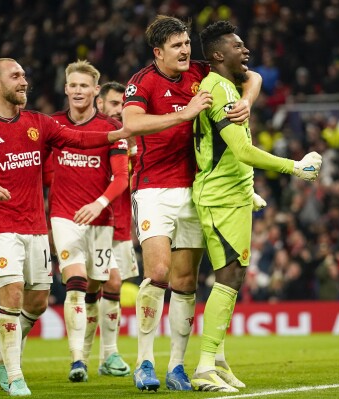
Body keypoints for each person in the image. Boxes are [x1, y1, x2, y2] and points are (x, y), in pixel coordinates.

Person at [0, 57, 128, 396]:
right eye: (15, 76)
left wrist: (120, 132)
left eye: (24, 75)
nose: (23, 81)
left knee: (39, 301)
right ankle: (15, 376)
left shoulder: (38, 123)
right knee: (12, 294)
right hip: (2, 225)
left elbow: (81, 139)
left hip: (36, 226)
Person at [121, 15, 261, 392]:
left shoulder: (201, 72)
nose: (186, 51)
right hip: (153, 188)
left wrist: (246, 102)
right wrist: (182, 114)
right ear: (158, 52)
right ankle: (144, 362)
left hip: (195, 189)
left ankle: (177, 366)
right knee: (160, 270)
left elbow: (253, 76)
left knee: (185, 281)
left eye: (186, 43)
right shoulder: (142, 82)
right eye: (177, 46)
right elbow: (131, 123)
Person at [190, 20, 322, 392]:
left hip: (231, 195)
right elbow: (242, 150)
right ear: (218, 54)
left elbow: (216, 149)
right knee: (228, 277)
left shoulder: (227, 86)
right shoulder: (216, 87)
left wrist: (248, 191)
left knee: (234, 278)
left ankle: (217, 360)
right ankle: (203, 367)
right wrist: (296, 167)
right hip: (218, 198)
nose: (245, 50)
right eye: (237, 46)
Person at [48, 63, 129, 382]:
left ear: (96, 91)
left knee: (99, 285)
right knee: (77, 283)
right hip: (64, 217)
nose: (78, 90)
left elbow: (122, 177)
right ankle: (77, 360)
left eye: (85, 85)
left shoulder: (111, 128)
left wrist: (99, 204)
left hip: (102, 220)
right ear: (66, 88)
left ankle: (106, 354)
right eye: (73, 85)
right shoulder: (51, 125)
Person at [91, 81, 139, 377]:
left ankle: (101, 357)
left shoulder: (136, 140)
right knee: (104, 285)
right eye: (113, 104)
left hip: (121, 227)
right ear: (99, 105)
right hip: (95, 225)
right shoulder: (93, 138)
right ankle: (93, 356)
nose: (120, 111)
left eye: (123, 105)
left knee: (109, 287)